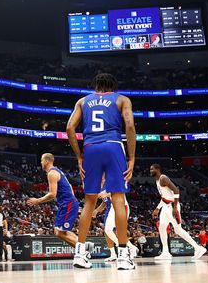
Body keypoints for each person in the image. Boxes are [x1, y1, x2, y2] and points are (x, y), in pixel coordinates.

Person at [66, 73, 136, 270]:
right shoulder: (122, 99)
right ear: (113, 87)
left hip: (90, 147)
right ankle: (122, 256)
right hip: (113, 146)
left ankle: (79, 254)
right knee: (118, 199)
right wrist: (131, 157)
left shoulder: (82, 101)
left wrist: (79, 155)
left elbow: (70, 128)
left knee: (89, 200)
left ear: (95, 86)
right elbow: (129, 125)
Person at [27, 153, 90, 260]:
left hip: (67, 203)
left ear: (47, 161)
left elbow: (52, 194)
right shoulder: (58, 171)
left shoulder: (51, 173)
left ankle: (82, 251)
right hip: (67, 203)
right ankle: (83, 246)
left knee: (60, 232)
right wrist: (73, 200)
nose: (41, 162)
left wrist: (37, 201)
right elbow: (69, 186)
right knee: (58, 231)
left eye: (42, 160)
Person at [149, 164, 206, 261]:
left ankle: (198, 248)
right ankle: (166, 252)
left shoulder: (163, 178)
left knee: (178, 230)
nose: (150, 171)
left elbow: (176, 190)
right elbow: (164, 197)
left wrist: (175, 207)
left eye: (152, 169)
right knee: (162, 227)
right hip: (165, 206)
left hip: (172, 206)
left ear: (157, 169)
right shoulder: (157, 180)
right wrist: (158, 208)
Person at [93, 190, 137, 263]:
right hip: (110, 209)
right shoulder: (100, 186)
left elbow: (119, 191)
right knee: (107, 231)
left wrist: (105, 194)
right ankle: (114, 254)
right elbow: (104, 202)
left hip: (120, 206)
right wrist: (96, 210)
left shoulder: (111, 180)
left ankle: (127, 248)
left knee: (116, 231)